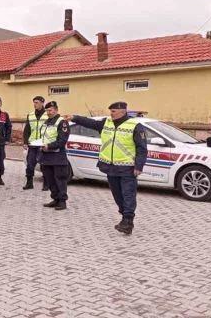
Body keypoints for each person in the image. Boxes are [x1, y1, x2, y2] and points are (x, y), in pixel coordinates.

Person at [66, 101, 148, 235]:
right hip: (110, 167)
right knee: (117, 195)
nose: (111, 113)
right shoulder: (106, 123)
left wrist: (139, 166)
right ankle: (124, 217)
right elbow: (90, 123)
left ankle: (128, 221)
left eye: (114, 111)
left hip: (127, 167)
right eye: (111, 111)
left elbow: (142, 148)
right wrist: (75, 118)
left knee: (128, 195)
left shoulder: (135, 126)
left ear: (122, 112)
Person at [38, 101, 70, 210]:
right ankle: (55, 198)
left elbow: (62, 141)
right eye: (47, 110)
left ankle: (62, 201)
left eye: (50, 110)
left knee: (60, 179)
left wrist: (49, 146)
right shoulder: (47, 122)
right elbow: (44, 137)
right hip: (46, 156)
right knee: (50, 179)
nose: (48, 112)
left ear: (56, 110)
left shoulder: (62, 122)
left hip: (57, 156)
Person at [22, 96, 49, 191]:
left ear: (42, 103)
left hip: (43, 144)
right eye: (34, 102)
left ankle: (46, 184)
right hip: (33, 144)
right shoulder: (30, 115)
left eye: (37, 102)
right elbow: (27, 130)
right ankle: (29, 183)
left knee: (44, 165)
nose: (35, 104)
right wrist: (25, 142)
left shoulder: (47, 115)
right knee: (30, 165)